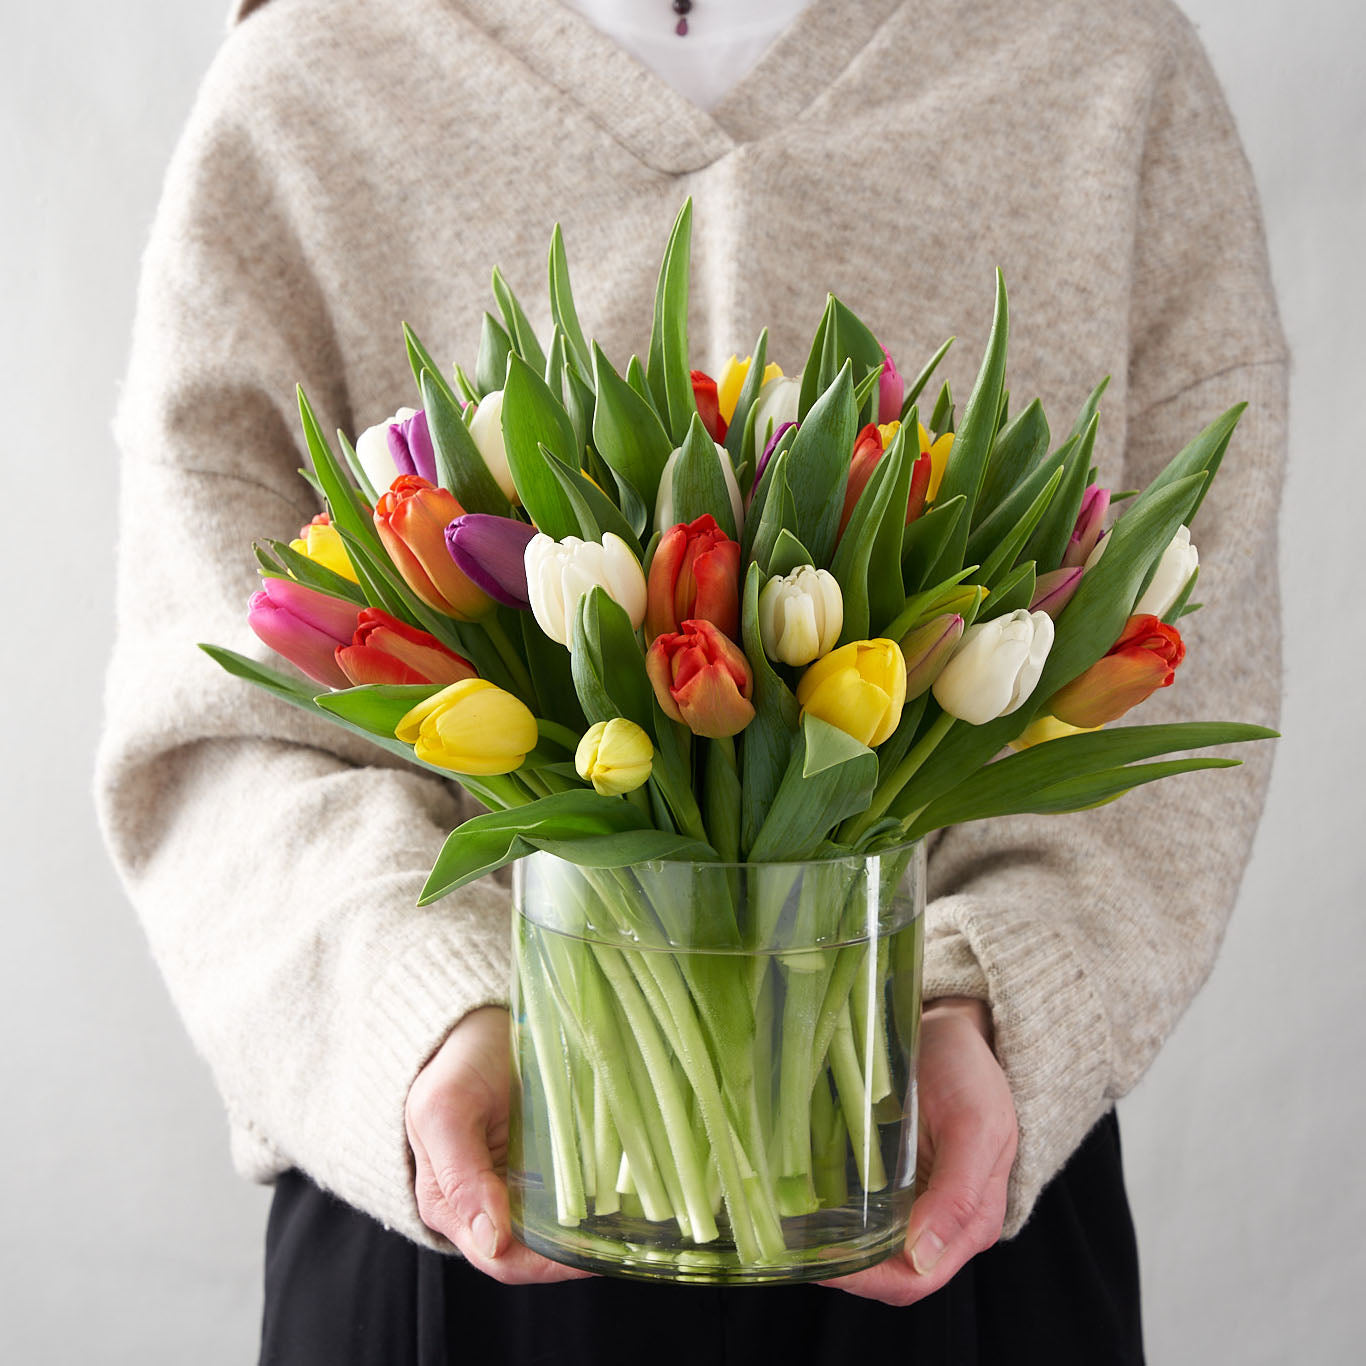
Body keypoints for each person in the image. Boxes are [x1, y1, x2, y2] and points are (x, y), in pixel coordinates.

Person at [96, 0, 1287, 1361]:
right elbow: (216, 726)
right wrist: (429, 1008)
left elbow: (1173, 673)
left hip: (952, 1188)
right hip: (446, 1212)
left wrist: (989, 1012)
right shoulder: (315, 76)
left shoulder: (1103, 59)